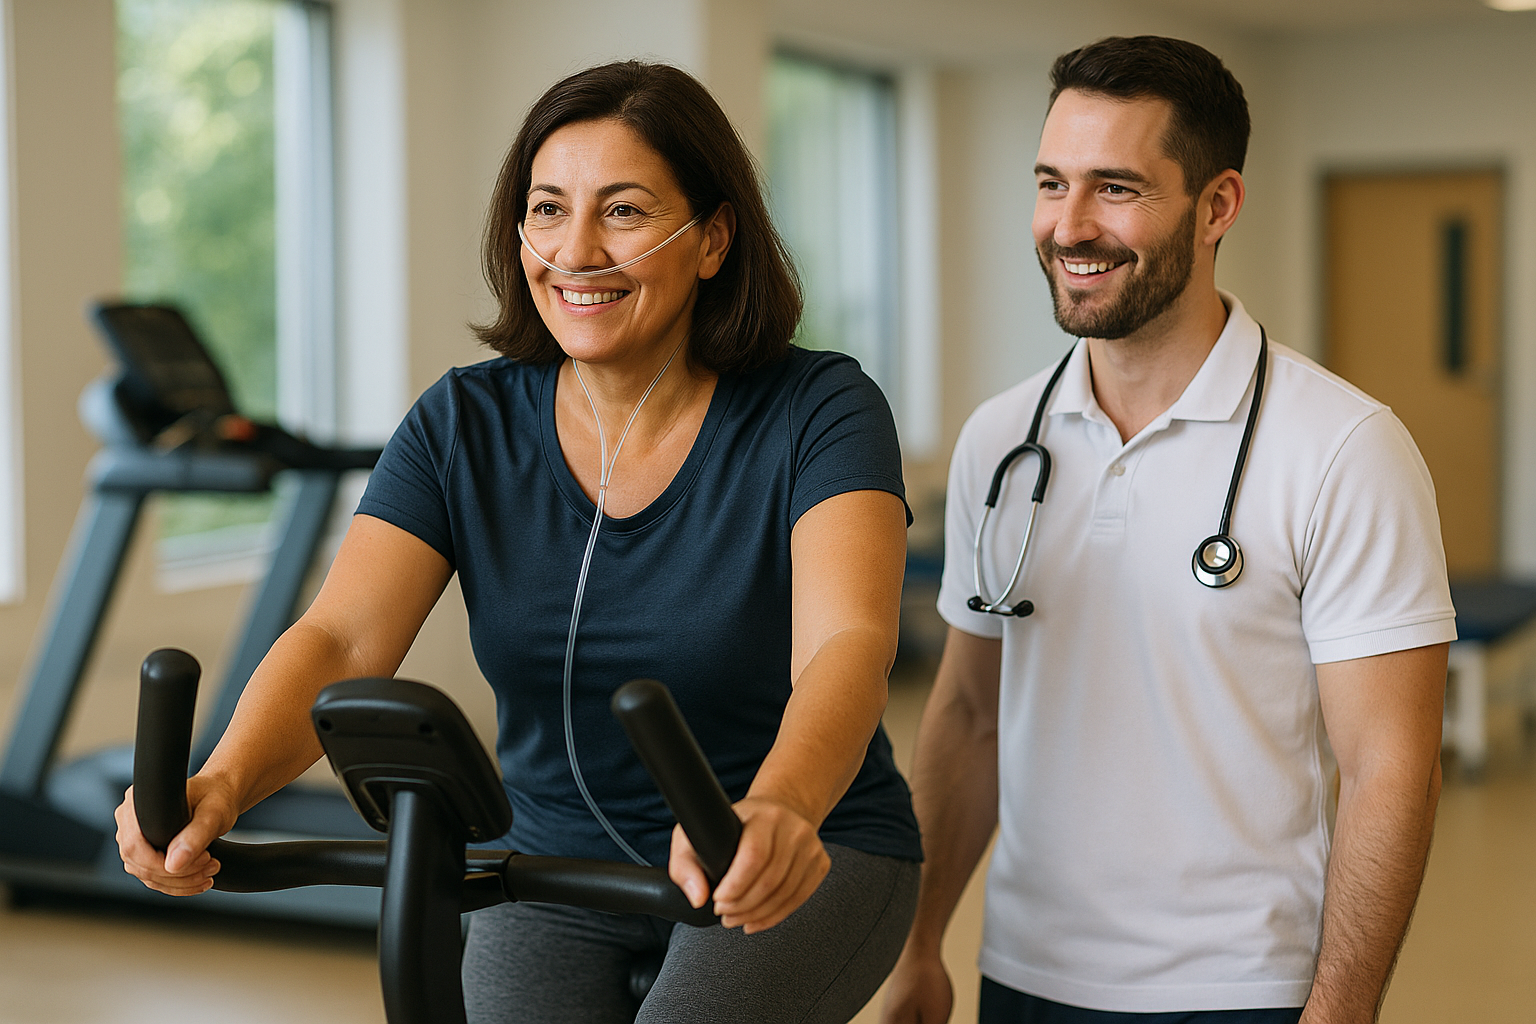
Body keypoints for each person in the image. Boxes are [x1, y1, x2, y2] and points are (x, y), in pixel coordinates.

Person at [115, 61, 922, 1024]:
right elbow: (342, 638)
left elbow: (848, 644)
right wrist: (224, 779)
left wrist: (783, 806)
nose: (575, 250)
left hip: (798, 845)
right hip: (549, 860)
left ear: (712, 239)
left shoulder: (818, 409)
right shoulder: (464, 422)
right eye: (547, 210)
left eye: (622, 211)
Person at [880, 36, 1455, 1024]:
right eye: (1052, 182)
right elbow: (971, 718)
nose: (1069, 225)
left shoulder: (1343, 447)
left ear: (1218, 204)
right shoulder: (1000, 440)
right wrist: (919, 944)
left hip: (1242, 988)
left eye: (1116, 188)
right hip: (1025, 973)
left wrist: (1343, 1007)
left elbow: (1388, 767)